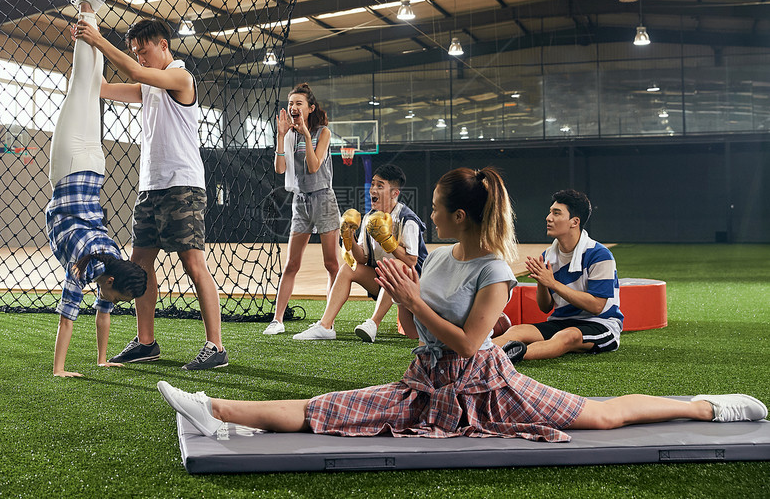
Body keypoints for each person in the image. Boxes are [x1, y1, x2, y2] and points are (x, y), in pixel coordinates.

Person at [157, 167, 767, 438]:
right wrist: (377, 274)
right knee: (330, 406)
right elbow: (411, 310)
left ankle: (708, 408)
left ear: (456, 214)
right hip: (426, 381)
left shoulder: (496, 269)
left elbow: (471, 344)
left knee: (601, 415)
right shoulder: (444, 256)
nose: (431, 215)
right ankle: (215, 411)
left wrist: (414, 304)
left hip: (487, 385)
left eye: (438, 208)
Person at [76, 10, 226, 370]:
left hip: (182, 185)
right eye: (136, 51)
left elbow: (136, 72)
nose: (140, 57)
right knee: (140, 264)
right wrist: (84, 56)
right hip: (150, 187)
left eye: (144, 50)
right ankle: (146, 342)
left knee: (192, 262)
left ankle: (215, 347)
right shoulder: (148, 87)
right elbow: (103, 89)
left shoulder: (180, 77)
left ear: (163, 46)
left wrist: (99, 39)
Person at [47, 0, 148, 378]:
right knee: (80, 88)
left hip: (93, 169)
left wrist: (103, 359)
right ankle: (86, 8)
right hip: (71, 167)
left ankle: (89, 8)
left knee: (87, 88)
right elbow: (67, 318)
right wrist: (59, 370)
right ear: (109, 280)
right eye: (117, 296)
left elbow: (101, 311)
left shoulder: (111, 262)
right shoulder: (85, 264)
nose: (113, 301)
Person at [290, 164, 428, 341]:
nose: (373, 190)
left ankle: (373, 323)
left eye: (380, 185)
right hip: (385, 282)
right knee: (348, 269)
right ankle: (325, 325)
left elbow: (411, 261)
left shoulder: (407, 219)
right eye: (373, 185)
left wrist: (389, 243)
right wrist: (350, 238)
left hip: (414, 285)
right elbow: (362, 258)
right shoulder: (370, 218)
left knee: (395, 267)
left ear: (395, 193)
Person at [493, 189, 623, 364]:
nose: (548, 218)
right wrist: (542, 282)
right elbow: (545, 307)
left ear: (574, 222)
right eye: (550, 212)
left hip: (601, 323)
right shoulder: (548, 255)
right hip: (562, 321)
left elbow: (597, 306)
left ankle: (507, 358)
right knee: (517, 331)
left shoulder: (600, 255)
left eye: (556, 213)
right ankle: (476, 355)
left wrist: (552, 283)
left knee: (567, 337)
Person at [261, 83, 341, 335]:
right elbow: (280, 169)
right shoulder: (289, 135)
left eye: (299, 103)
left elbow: (315, 166)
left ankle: (328, 321)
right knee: (291, 264)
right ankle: (277, 320)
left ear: (310, 108)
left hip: (324, 199)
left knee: (332, 264)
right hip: (301, 201)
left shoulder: (323, 132)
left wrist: (306, 134)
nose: (293, 107)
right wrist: (281, 136)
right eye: (291, 103)